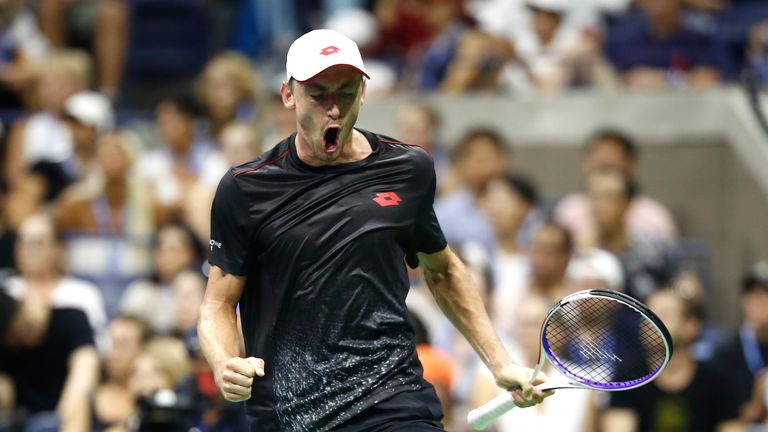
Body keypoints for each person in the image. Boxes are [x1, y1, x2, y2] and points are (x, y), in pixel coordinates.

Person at [198, 29, 551, 431]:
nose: (333, 109)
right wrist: (226, 364)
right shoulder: (245, 188)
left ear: (363, 94)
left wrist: (500, 363)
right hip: (290, 413)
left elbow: (444, 269)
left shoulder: (407, 169)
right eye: (318, 94)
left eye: (345, 93)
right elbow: (217, 304)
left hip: (392, 399)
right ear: (288, 95)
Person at [602, 286, 726, 432]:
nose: (650, 321)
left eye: (664, 314)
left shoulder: (717, 380)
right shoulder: (627, 377)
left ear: (691, 327)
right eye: (646, 313)